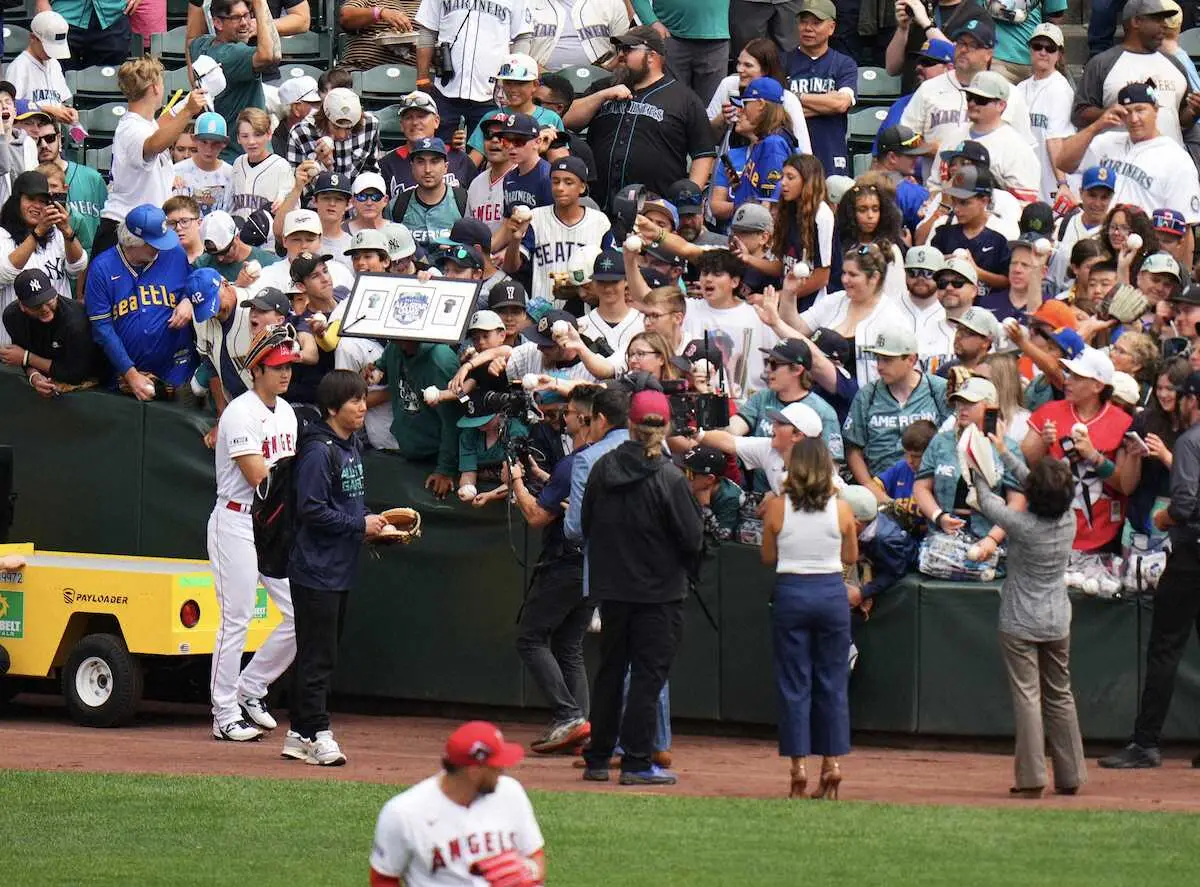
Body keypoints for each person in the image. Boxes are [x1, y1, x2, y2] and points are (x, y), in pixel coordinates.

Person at [579, 389, 704, 787]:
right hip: (659, 594)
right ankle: (635, 761)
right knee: (648, 677)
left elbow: (586, 524)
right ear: (664, 427)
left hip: (614, 589)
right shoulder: (669, 477)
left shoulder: (602, 468)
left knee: (610, 672)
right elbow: (692, 538)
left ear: (630, 425)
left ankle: (598, 758)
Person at [968, 419, 1087, 796]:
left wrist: (977, 466)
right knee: (1061, 695)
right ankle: (1071, 777)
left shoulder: (1020, 525)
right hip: (1057, 619)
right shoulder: (1069, 518)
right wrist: (1003, 451)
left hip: (1020, 620)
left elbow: (987, 501)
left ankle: (1032, 779)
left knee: (1028, 698)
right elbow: (1038, 485)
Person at [282, 370, 384, 767]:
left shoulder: (351, 444)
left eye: (362, 398)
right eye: (354, 401)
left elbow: (346, 503)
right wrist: (359, 525)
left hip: (337, 567)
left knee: (319, 653)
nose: (362, 407)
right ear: (331, 408)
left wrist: (373, 523)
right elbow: (311, 509)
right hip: (315, 570)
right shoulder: (317, 451)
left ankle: (296, 732)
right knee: (318, 657)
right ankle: (317, 732)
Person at [1100, 369, 1200, 770]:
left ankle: (1145, 743)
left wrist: (1166, 520)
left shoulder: (1192, 442)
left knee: (1165, 648)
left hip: (1191, 555)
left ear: (1192, 399)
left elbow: (1186, 504)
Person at [206, 324, 299, 742]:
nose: (284, 374)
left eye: (288, 366)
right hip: (237, 519)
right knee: (236, 619)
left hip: (271, 524)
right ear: (256, 369)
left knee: (300, 615)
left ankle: (251, 688)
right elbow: (261, 480)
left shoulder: (287, 411)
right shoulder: (240, 412)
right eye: (276, 367)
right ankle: (223, 713)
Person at [761, 435, 857, 799]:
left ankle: (798, 767)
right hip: (831, 594)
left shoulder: (777, 507)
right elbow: (850, 555)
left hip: (792, 593)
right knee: (832, 682)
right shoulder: (843, 509)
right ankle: (832, 763)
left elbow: (768, 557)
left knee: (794, 683)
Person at [508, 383, 598, 754]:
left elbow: (535, 517)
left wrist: (514, 479)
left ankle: (568, 716)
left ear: (588, 418)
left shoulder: (574, 461)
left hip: (565, 564)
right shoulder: (604, 457)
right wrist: (541, 476)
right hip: (596, 566)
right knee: (569, 644)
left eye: (571, 413)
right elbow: (572, 491)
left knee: (530, 638)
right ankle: (582, 728)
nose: (565, 418)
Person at [369, 721, 545, 886]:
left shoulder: (510, 792)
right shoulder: (403, 813)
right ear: (474, 772)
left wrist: (531, 876)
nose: (502, 771)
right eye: (496, 766)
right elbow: (383, 878)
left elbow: (534, 854)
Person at [564, 25, 716, 210]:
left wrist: (687, 201)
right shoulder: (603, 87)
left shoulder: (684, 98)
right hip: (598, 205)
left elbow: (703, 153)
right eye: (619, 49)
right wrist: (601, 96)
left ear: (652, 56)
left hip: (654, 209)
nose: (620, 55)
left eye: (628, 49)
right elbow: (567, 120)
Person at [1021, 347, 1143, 552]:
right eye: (1069, 374)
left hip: (1103, 539)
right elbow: (1026, 465)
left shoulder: (1123, 422)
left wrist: (1095, 457)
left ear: (1097, 385)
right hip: (1050, 532)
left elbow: (1126, 485)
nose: (1067, 381)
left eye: (1077, 377)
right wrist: (1043, 442)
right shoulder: (1049, 411)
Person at [1057, 82, 1200, 240]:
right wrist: (1096, 126)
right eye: (1127, 112)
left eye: (1140, 110)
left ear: (1156, 110)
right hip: (1096, 245)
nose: (1133, 119)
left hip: (1142, 248)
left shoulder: (1176, 158)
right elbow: (1063, 162)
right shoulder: (1106, 141)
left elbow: (1184, 229)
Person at [97, 57, 208, 256]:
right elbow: (155, 144)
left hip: (141, 229)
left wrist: (188, 102)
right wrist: (189, 110)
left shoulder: (142, 123)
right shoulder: (132, 128)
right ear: (156, 88)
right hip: (125, 230)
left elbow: (161, 125)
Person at [85, 204, 195, 399]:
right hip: (125, 380)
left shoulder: (175, 254)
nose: (162, 247)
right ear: (132, 242)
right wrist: (130, 373)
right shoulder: (102, 268)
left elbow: (193, 286)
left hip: (175, 375)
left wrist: (188, 300)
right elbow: (102, 328)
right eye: (154, 243)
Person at [914, 376, 1027, 551]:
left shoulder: (1007, 448)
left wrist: (992, 539)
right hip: (944, 539)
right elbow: (921, 486)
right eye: (959, 402)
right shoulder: (941, 442)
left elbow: (1017, 501)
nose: (962, 408)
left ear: (990, 407)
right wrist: (939, 517)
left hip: (991, 540)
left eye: (970, 403)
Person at [901, 16, 1035, 152]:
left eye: (972, 45)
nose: (964, 50)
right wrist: (931, 149)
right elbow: (906, 136)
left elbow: (1026, 148)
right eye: (961, 43)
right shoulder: (928, 89)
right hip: (937, 171)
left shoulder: (1010, 94)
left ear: (988, 54)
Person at [843, 327, 951, 494]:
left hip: (930, 486)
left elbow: (952, 440)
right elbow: (853, 449)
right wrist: (871, 488)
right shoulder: (867, 394)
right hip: (880, 486)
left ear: (911, 359)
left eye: (887, 360)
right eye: (878, 359)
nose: (879, 366)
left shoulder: (937, 389)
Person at [497, 156, 610, 309]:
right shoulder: (535, 218)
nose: (560, 187)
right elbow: (511, 268)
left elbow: (611, 271)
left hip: (587, 312)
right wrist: (516, 239)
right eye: (555, 181)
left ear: (582, 187)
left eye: (568, 182)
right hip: (541, 311)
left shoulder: (600, 222)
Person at [1072, 0, 1190, 147]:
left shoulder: (1175, 64)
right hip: (1120, 165)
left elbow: (1181, 118)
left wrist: (1193, 111)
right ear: (1136, 21)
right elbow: (1079, 115)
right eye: (1157, 19)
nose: (1164, 25)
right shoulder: (1102, 64)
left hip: (1167, 165)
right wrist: (1109, 113)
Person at [413, 0, 536, 141]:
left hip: (492, 93)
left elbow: (522, 37)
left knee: (486, 152)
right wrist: (422, 77)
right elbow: (427, 31)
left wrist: (510, 83)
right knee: (440, 150)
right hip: (445, 89)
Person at [794, 243, 909, 386]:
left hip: (863, 399)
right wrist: (789, 294)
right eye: (844, 273)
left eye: (853, 274)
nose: (845, 279)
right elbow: (797, 329)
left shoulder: (893, 318)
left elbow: (904, 369)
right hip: (818, 393)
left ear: (874, 277)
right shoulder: (836, 300)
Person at [928, 71, 1040, 203]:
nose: (972, 104)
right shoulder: (953, 137)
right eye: (969, 97)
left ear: (1001, 105)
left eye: (981, 99)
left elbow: (1024, 205)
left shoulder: (1017, 148)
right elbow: (934, 186)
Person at [189, 0, 278, 161]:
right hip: (248, 156)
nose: (244, 23)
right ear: (217, 22)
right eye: (236, 18)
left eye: (246, 16)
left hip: (223, 155)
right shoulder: (232, 53)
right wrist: (259, 4)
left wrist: (195, 4)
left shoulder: (201, 46)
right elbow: (267, 55)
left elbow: (190, 40)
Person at [0, 170, 86, 338]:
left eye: (43, 201)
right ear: (17, 201)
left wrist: (67, 231)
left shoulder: (56, 234)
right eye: (31, 199)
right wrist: (38, 232)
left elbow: (77, 267)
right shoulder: (2, 234)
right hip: (16, 338)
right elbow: (3, 274)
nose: (38, 206)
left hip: (59, 334)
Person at [733, 338, 844, 465]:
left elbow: (832, 467)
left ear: (797, 369)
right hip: (761, 483)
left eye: (774, 364)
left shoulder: (824, 412)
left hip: (801, 483)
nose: (767, 370)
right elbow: (733, 430)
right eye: (767, 362)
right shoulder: (762, 396)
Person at [782, 0, 856, 177]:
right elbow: (777, 110)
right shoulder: (782, 62)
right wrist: (825, 104)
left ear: (831, 27)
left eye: (816, 23)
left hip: (830, 150)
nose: (808, 28)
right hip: (790, 151)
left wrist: (795, 98)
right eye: (803, 22)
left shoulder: (844, 64)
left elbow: (840, 104)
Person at [0, 267, 101, 395]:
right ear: (22, 305)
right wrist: (34, 376)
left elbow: (76, 373)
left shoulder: (75, 321)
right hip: (49, 379)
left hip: (91, 385)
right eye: (36, 305)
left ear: (55, 292)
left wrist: (28, 358)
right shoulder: (12, 316)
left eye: (48, 300)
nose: (44, 308)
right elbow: (21, 355)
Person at [707, 37, 812, 154]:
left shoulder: (787, 99)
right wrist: (722, 118)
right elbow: (705, 138)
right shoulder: (729, 84)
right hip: (730, 162)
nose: (740, 69)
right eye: (739, 63)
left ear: (766, 69)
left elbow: (804, 151)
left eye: (748, 65)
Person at [466, 54, 565, 168]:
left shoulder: (551, 118)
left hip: (538, 180)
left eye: (520, 83)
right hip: (498, 180)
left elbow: (560, 162)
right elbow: (473, 162)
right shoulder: (491, 117)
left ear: (535, 85)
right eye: (508, 83)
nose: (513, 89)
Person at [930, 166, 1012, 299]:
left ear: (984, 200)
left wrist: (976, 271)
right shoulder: (943, 229)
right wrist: (942, 262)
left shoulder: (1003, 232)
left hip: (990, 308)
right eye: (954, 201)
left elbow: (1009, 281)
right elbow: (927, 269)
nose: (956, 209)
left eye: (964, 202)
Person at [380, 91, 478, 199]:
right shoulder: (387, 165)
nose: (415, 122)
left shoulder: (460, 159)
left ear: (436, 121)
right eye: (408, 117)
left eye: (421, 116)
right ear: (401, 125)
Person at [1016, 23, 1075, 204]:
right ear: (1030, 50)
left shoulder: (1060, 89)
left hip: (1051, 180)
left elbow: (1056, 139)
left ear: (1059, 55)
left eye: (1050, 48)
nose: (1043, 52)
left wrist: (1062, 183)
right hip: (1024, 177)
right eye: (1037, 46)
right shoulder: (1020, 88)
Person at [629, 0, 728, 104]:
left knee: (712, 109)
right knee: (669, 105)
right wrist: (652, 22)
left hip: (716, 40)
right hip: (670, 37)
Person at [887, 0, 987, 93]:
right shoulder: (920, 8)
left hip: (950, 99)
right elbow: (891, 69)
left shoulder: (977, 15)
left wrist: (926, 23)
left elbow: (963, 62)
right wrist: (903, 28)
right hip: (912, 99)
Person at [286, 89, 382, 185]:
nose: (342, 135)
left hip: (357, 197)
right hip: (317, 197)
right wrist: (324, 165)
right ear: (325, 119)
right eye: (336, 127)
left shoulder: (370, 125)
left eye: (349, 128)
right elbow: (295, 186)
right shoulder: (301, 133)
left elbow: (372, 170)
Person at [228, 108, 294, 236]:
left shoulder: (281, 166)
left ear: (269, 134)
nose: (251, 141)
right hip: (239, 242)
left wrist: (283, 203)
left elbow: (291, 207)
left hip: (269, 245)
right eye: (245, 136)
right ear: (238, 138)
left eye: (258, 134)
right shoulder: (237, 164)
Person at [1048, 167, 1116, 291]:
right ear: (1080, 193)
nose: (1097, 203)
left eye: (1104, 197)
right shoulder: (1063, 223)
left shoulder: (1111, 236)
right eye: (1092, 195)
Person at [7, 11, 76, 122]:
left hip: (52, 134)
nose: (50, 54)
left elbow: (57, 100)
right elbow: (10, 106)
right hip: (29, 134)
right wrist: (46, 110)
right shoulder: (19, 66)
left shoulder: (55, 64)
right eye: (47, 47)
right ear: (33, 38)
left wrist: (67, 111)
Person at [172, 112, 233, 217]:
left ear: (224, 144)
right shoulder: (176, 171)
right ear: (194, 139)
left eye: (215, 143)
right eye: (204, 142)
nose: (209, 149)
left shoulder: (231, 174)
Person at [195, 210, 278, 282]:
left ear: (236, 237)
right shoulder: (203, 263)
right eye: (214, 254)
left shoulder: (269, 263)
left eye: (224, 252)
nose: (220, 259)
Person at [339, 0, 421, 71]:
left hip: (411, 76)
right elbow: (345, 17)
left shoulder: (427, 5)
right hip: (359, 69)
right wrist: (379, 13)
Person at [271, 76, 320, 159]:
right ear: (296, 108)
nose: (318, 109)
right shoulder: (277, 142)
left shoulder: (321, 131)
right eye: (313, 104)